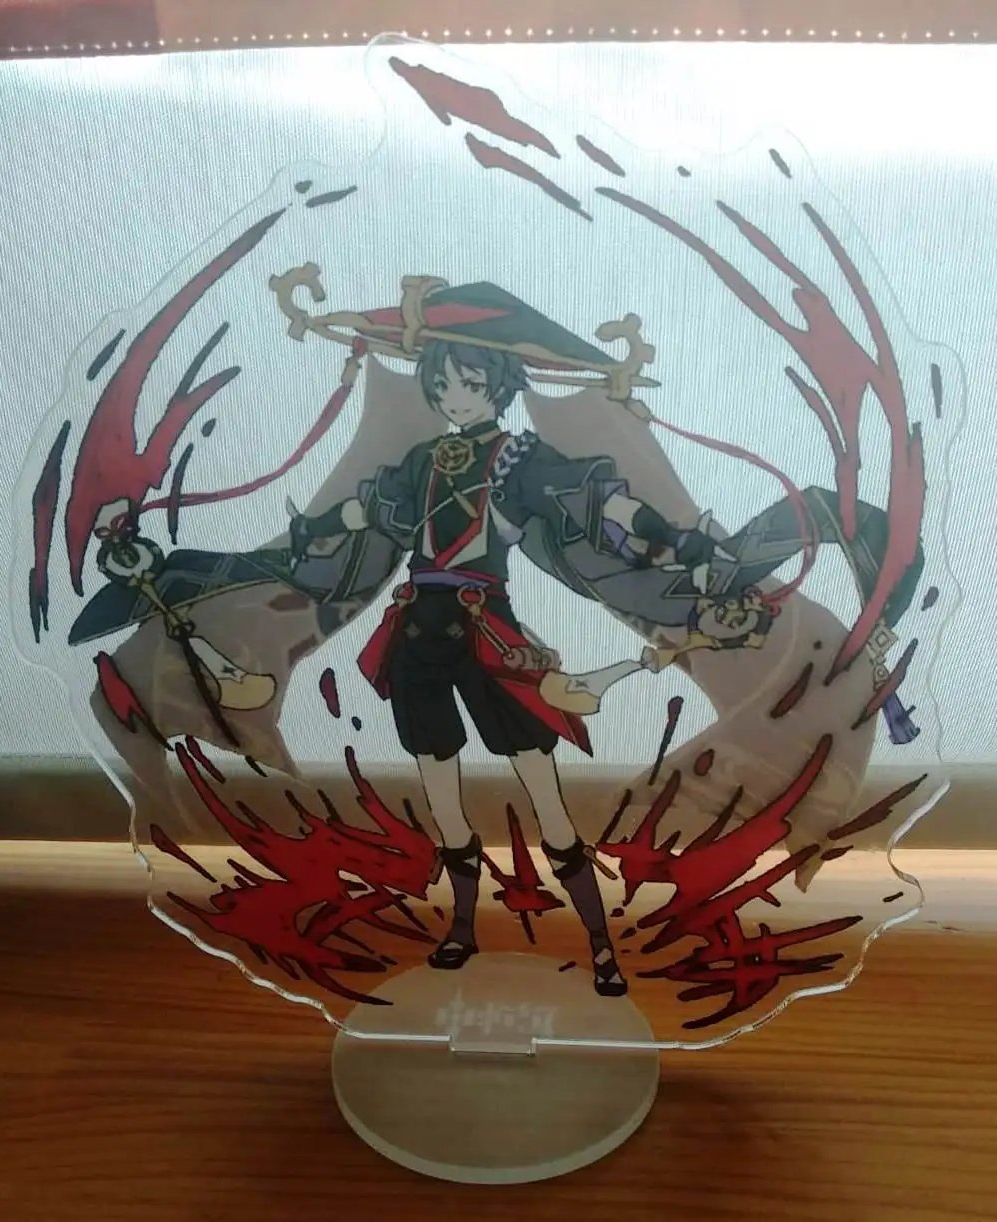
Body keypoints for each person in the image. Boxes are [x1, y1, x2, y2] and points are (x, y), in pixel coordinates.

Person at [289, 338, 717, 997]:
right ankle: (461, 929)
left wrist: (673, 537)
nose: (454, 397)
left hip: (486, 628)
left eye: (468, 382)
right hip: (416, 631)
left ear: (498, 384)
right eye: (442, 385)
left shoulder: (519, 458)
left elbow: (597, 499)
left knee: (544, 791)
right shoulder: (424, 459)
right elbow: (370, 507)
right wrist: (314, 527)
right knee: (443, 795)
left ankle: (600, 946)